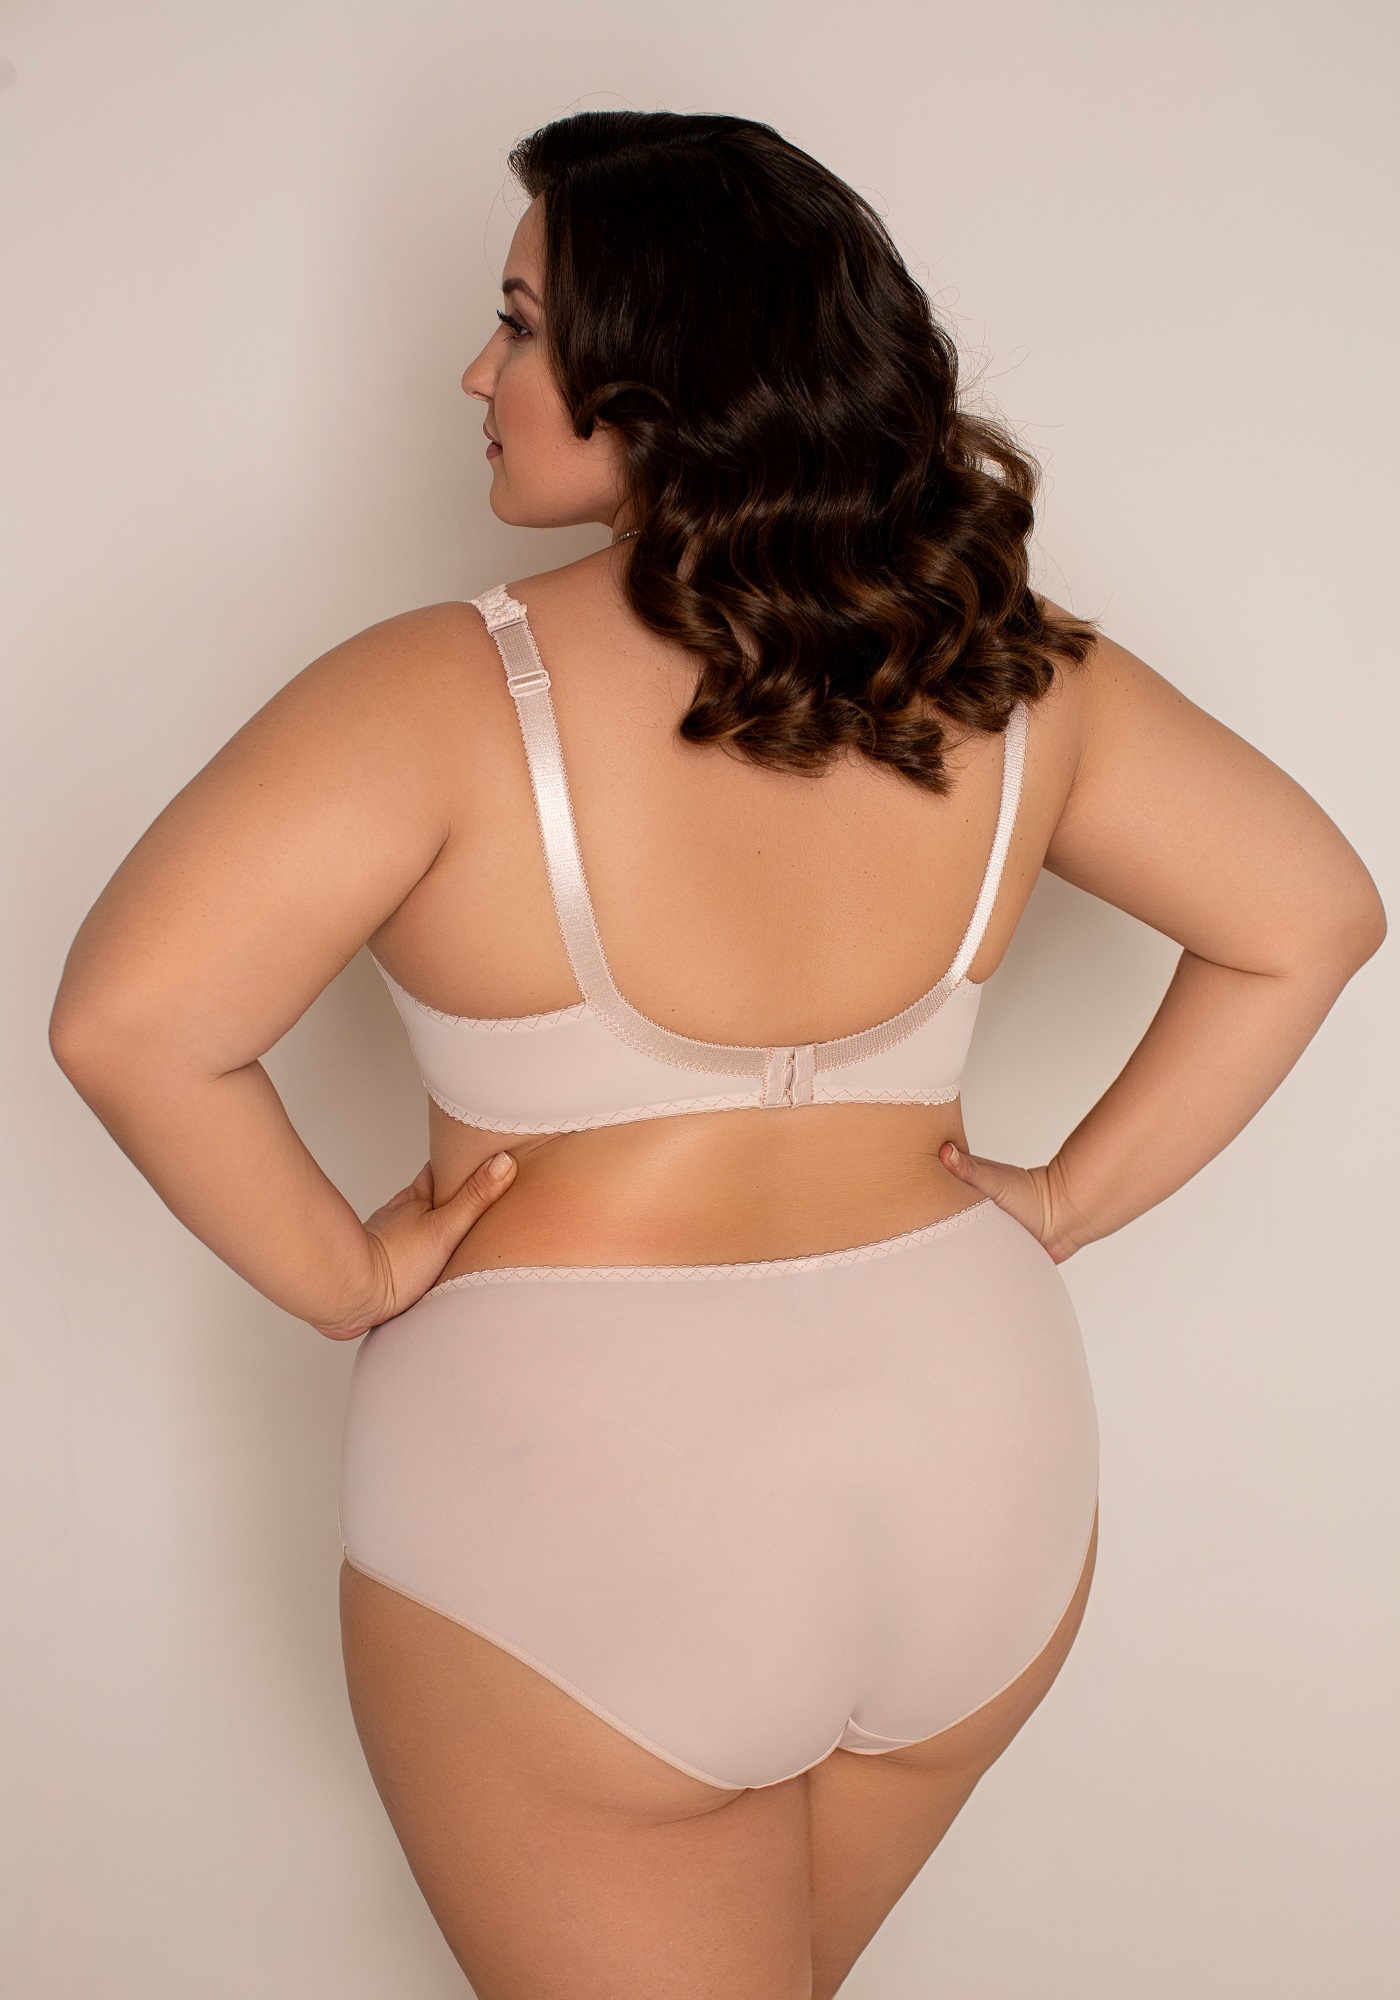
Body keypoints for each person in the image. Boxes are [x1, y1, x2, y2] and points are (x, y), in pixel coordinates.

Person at [50, 109, 1384, 2000]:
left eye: (521, 324)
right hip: (976, 1461)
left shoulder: (436, 693)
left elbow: (129, 1022)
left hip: (586, 1508)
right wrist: (1065, 1205)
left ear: (662, 367)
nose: (477, 374)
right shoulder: (1006, 670)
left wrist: (348, 1277)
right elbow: (1313, 913)